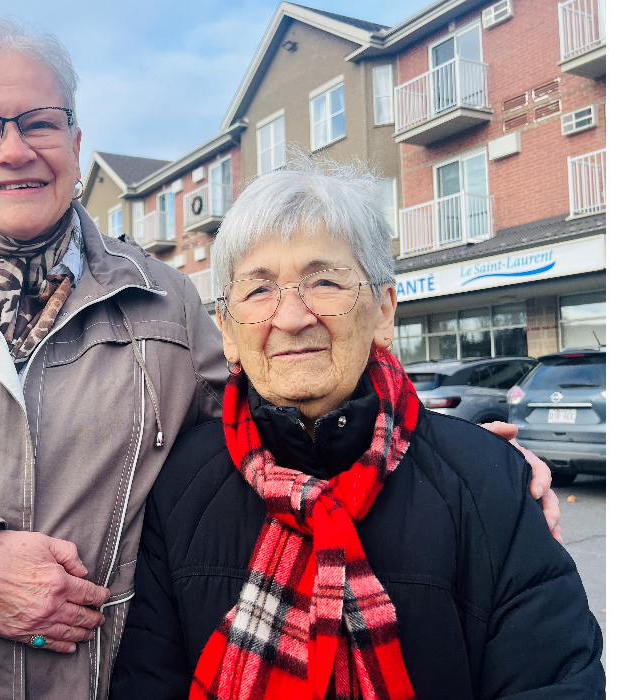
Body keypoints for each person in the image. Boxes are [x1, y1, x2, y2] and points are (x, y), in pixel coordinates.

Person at [0, 17, 561, 700]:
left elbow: (287, 394)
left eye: (38, 121)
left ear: (73, 140)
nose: (15, 148)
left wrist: (463, 468)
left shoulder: (166, 301)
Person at [110, 162, 603, 700]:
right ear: (227, 331)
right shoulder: (178, 486)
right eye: (258, 291)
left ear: (384, 312)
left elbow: (555, 680)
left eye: (324, 281)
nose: (292, 316)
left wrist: (492, 464)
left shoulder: (490, 481)